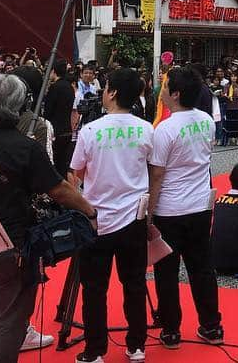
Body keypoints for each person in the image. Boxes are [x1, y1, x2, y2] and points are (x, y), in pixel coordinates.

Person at [0, 74, 96, 363]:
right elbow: (58, 190)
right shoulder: (26, 147)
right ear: (21, 105)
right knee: (11, 316)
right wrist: (90, 211)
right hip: (11, 243)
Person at [70, 68, 155, 363]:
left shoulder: (90, 130)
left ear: (113, 92)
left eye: (106, 87)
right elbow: (153, 170)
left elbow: (75, 176)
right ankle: (136, 345)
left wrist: (79, 205)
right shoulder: (146, 129)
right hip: (134, 218)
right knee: (134, 283)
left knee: (94, 288)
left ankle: (95, 350)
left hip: (96, 219)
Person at [148, 66, 223, 350]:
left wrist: (149, 213)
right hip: (200, 206)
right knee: (202, 267)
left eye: (165, 87)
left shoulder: (165, 129)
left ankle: (171, 330)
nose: (162, 92)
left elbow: (157, 175)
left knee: (167, 272)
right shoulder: (206, 120)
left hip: (170, 209)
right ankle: (212, 325)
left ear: (176, 94)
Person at [42, 59, 78, 175]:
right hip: (67, 130)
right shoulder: (69, 87)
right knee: (63, 166)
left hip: (55, 131)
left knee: (54, 165)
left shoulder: (55, 88)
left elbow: (48, 111)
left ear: (53, 71)